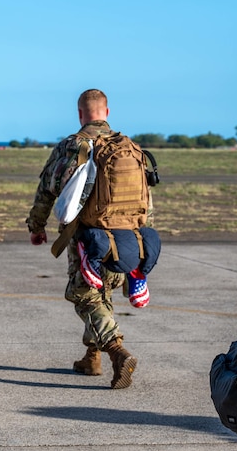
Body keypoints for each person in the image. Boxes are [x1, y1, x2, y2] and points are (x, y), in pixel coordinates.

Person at [27, 89, 154, 389]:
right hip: (128, 238)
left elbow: (47, 189)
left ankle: (116, 350)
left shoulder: (73, 146)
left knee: (85, 296)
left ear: (80, 114)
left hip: (88, 239)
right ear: (107, 113)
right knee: (103, 294)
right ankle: (91, 357)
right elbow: (146, 200)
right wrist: (142, 243)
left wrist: (37, 226)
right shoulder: (131, 148)